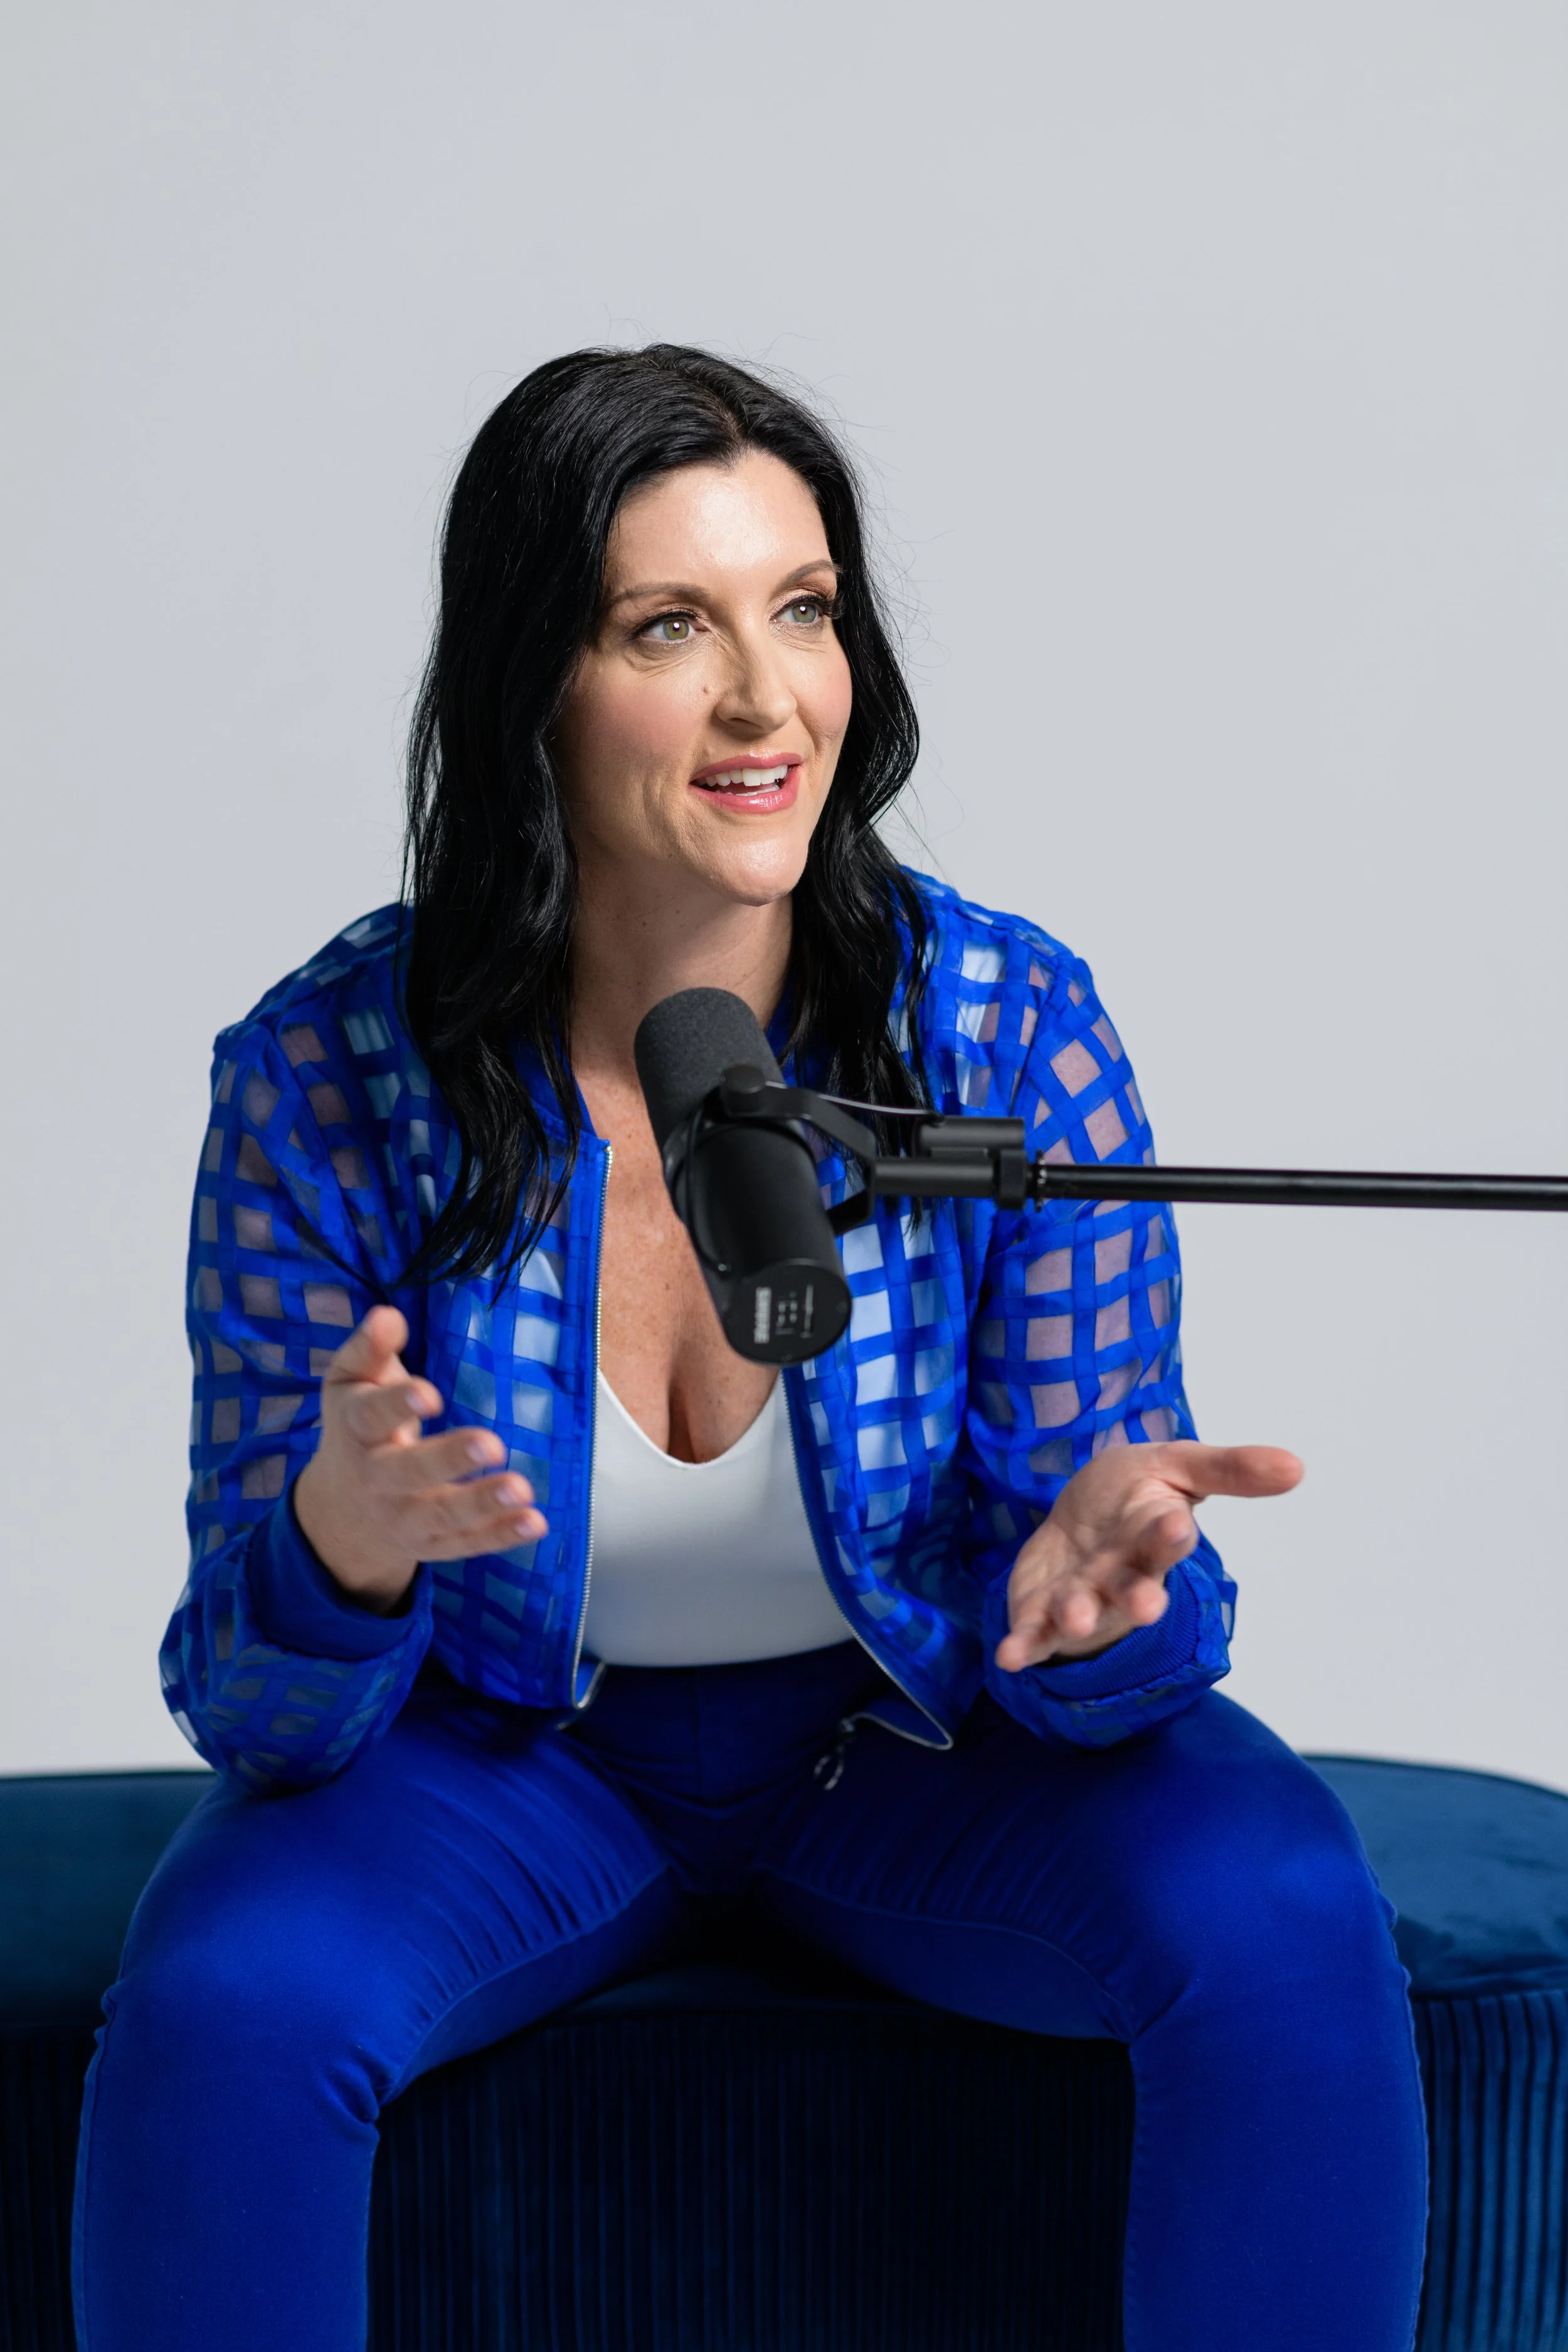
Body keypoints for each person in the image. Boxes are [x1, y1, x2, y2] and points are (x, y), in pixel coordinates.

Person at [71, 346, 1428, 2351]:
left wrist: (1096, 1596)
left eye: (802, 610)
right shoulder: (324, 1072)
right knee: (224, 2005)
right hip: (495, 1756)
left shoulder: (1001, 1025)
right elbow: (257, 1711)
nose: (761, 696)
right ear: (536, 674)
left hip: (915, 1739)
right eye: (667, 626)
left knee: (1289, 1912)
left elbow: (1130, 1611)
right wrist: (341, 1552)